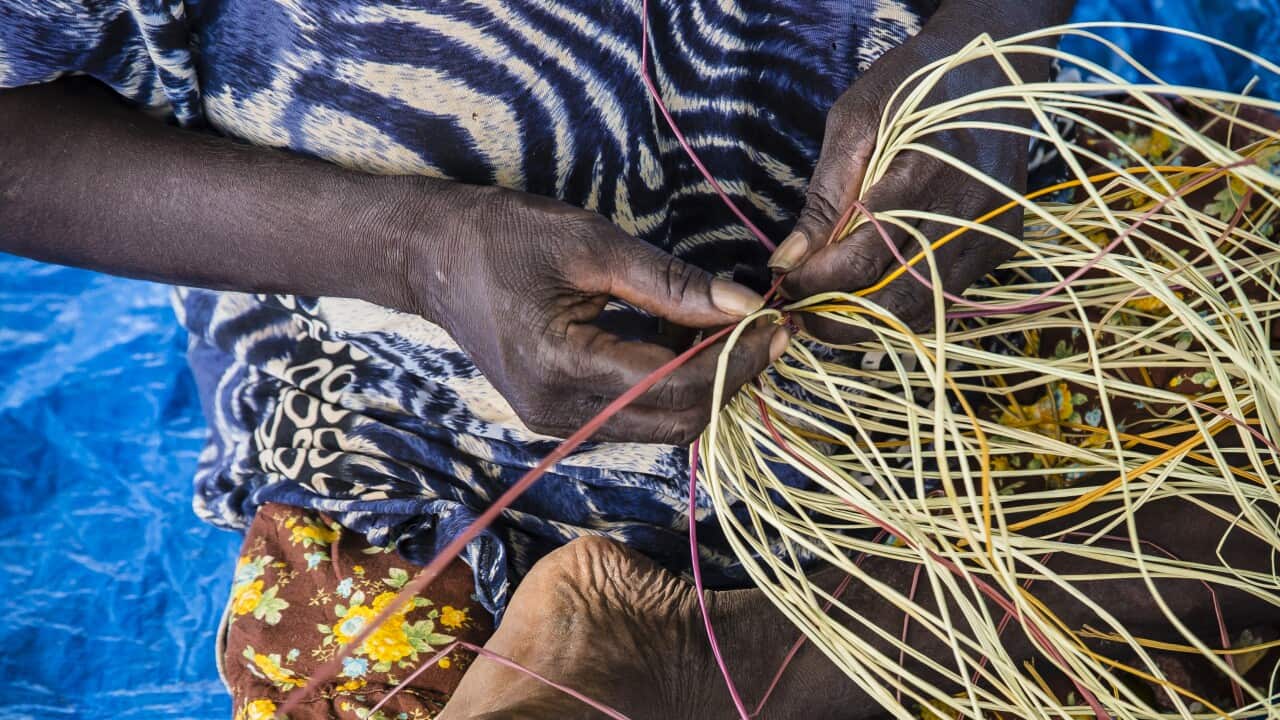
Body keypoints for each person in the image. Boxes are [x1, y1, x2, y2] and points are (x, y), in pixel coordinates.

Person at [3, 1, 1276, 717]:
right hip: (418, 413)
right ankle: (691, 665)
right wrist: (419, 252)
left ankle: (724, 670)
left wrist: (990, 46)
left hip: (964, 271)